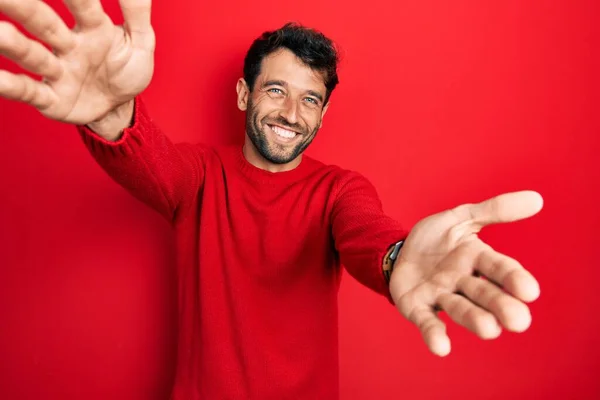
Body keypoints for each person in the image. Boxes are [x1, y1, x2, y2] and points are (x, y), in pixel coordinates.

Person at [0, 0, 544, 399]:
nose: (292, 114)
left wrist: (399, 257)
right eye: (277, 90)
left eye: (311, 99)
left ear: (323, 114)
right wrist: (108, 108)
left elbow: (366, 232)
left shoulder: (339, 190)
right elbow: (144, 156)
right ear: (244, 94)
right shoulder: (198, 175)